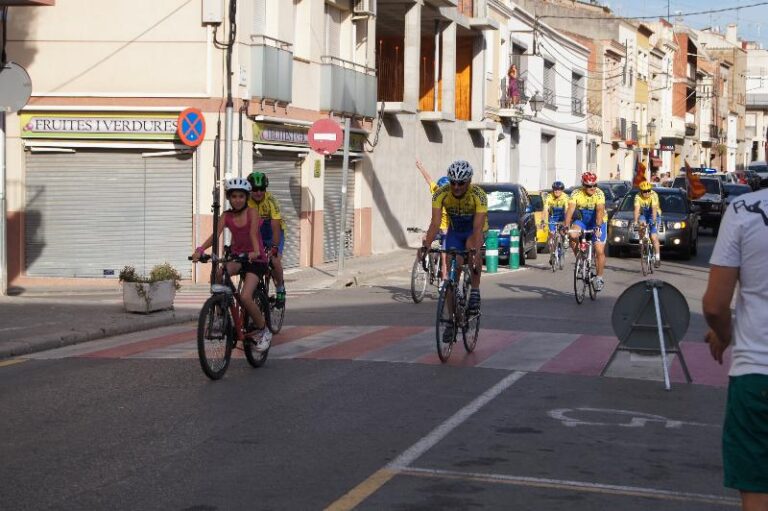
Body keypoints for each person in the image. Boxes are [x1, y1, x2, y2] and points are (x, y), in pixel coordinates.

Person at [703, 187, 768, 511]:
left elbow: (715, 306)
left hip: (758, 373)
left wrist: (724, 334)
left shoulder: (744, 209)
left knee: (758, 490)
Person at [192, 177, 272, 351]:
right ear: (229, 198)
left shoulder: (252, 212)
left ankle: (264, 330)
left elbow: (252, 233)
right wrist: (200, 250)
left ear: (246, 197)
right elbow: (215, 235)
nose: (237, 200)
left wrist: (256, 251)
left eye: (241, 196)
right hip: (238, 257)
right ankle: (221, 316)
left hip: (256, 259)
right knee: (220, 274)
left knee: (244, 297)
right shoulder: (226, 216)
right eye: (234, 196)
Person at [421, 160, 488, 340]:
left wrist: (473, 250)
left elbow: (477, 228)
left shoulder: (479, 195)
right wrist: (426, 246)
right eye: (453, 182)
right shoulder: (440, 195)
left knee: (472, 250)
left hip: (475, 229)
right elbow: (435, 223)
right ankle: (452, 321)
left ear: (469, 181)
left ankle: (474, 291)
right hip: (455, 232)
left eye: (461, 183)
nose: (456, 186)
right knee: (451, 272)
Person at [246, 171, 286, 308]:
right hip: (256, 231)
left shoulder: (271, 201)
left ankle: (280, 289)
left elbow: (275, 226)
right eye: (255, 189)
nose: (258, 192)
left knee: (274, 260)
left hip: (273, 231)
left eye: (261, 189)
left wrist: (274, 247)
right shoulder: (245, 201)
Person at [564, 172, 607, 291]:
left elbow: (599, 211)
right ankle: (581, 259)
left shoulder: (599, 193)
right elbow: (570, 210)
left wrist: (597, 227)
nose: (592, 188)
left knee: (599, 250)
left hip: (598, 221)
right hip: (583, 220)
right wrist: (566, 225)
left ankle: (599, 277)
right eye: (589, 186)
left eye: (594, 185)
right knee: (572, 234)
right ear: (583, 185)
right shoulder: (576, 193)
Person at [416, 160, 450, 277]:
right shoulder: (436, 191)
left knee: (445, 257)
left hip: (447, 232)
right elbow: (428, 179)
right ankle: (428, 260)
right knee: (425, 239)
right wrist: (421, 167)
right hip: (436, 229)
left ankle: (443, 282)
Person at [633, 181, 662, 268]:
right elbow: (637, 209)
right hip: (644, 214)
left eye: (648, 190)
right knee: (641, 224)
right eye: (644, 191)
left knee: (653, 237)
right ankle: (642, 241)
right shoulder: (637, 196)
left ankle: (657, 258)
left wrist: (653, 220)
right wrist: (635, 222)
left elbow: (654, 208)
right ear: (641, 191)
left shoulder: (654, 195)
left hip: (654, 214)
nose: (647, 193)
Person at [543, 181, 569, 263]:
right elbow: (545, 210)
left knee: (563, 231)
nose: (557, 191)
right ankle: (552, 254)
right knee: (551, 234)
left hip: (562, 217)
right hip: (553, 217)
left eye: (559, 189)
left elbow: (566, 210)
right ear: (553, 190)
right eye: (555, 189)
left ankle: (565, 239)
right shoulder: (549, 196)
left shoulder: (565, 197)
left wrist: (566, 222)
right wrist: (544, 221)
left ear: (562, 190)